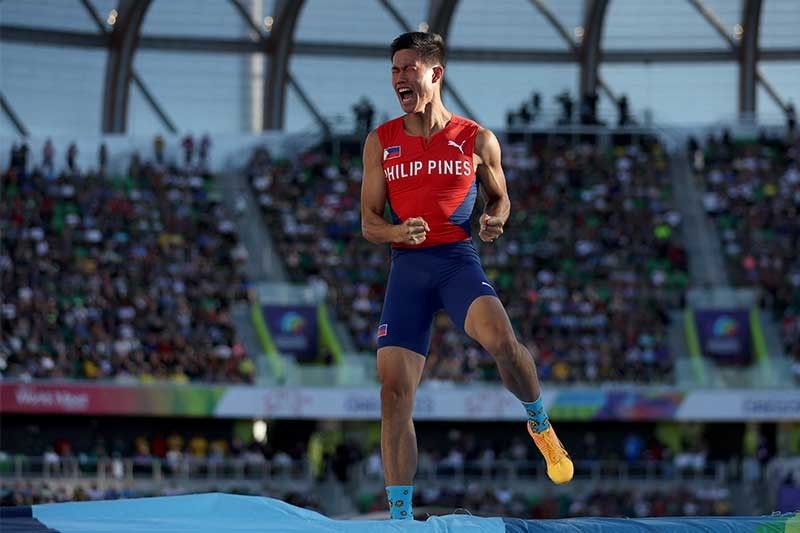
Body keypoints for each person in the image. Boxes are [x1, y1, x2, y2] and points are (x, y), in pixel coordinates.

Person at [360, 32, 573, 521]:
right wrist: (397, 229)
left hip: (457, 260)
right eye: (394, 70)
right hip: (408, 269)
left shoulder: (476, 139)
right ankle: (399, 517)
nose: (398, 78)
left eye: (408, 68)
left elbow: (500, 197)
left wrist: (497, 217)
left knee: (503, 342)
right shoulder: (381, 141)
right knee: (392, 393)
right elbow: (369, 222)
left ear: (435, 73)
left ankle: (539, 423)